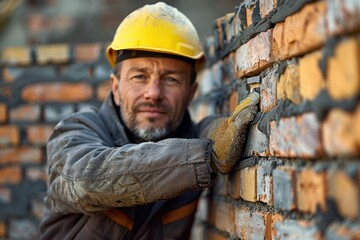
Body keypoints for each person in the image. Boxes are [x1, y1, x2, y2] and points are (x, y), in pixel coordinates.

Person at [39, 2, 259, 239]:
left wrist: (218, 132)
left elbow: (207, 133)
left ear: (191, 94)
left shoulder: (195, 144)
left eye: (171, 79)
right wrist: (207, 156)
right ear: (115, 87)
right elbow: (85, 181)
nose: (153, 92)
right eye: (139, 76)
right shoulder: (76, 132)